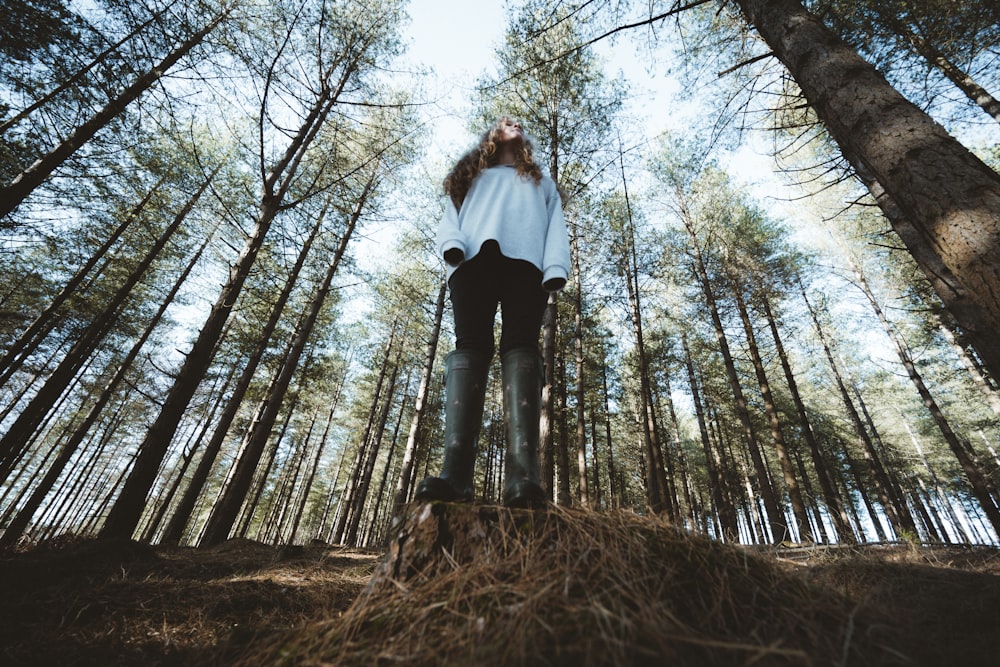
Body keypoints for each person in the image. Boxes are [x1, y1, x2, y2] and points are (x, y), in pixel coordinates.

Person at [414, 117, 570, 508]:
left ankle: (522, 477)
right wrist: (452, 247)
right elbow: (450, 219)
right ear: (490, 136)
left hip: (527, 264)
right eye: (504, 122)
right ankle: (456, 477)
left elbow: (556, 227)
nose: (512, 123)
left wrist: (555, 269)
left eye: (518, 122)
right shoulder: (471, 176)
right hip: (470, 261)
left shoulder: (540, 181)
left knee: (521, 346)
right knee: (470, 345)